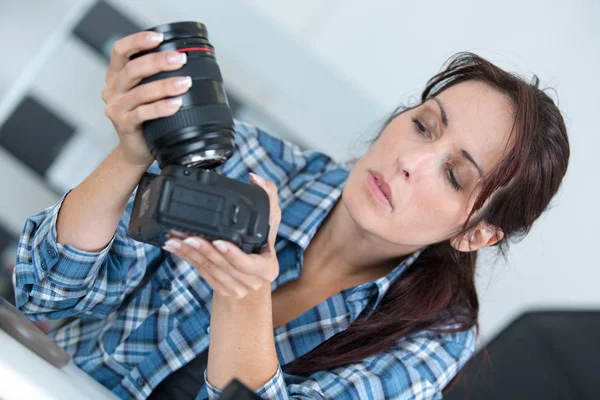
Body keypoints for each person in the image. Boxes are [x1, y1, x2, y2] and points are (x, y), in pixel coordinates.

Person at [13, 30, 570, 400]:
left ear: (476, 234)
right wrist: (132, 153)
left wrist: (245, 300)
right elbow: (44, 295)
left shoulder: (432, 339)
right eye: (424, 124)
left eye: (454, 176)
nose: (411, 160)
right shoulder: (250, 161)